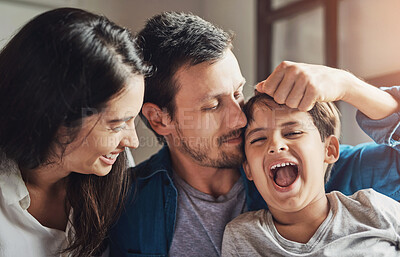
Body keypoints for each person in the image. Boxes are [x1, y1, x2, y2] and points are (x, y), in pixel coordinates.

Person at [109, 12, 400, 257]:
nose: (239, 116)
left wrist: (348, 85)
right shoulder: (124, 204)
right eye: (212, 106)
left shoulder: (318, 169)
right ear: (159, 120)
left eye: (238, 93)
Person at [0, 8, 150, 257]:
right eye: (116, 125)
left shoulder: (113, 169)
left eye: (133, 120)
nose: (132, 142)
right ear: (54, 116)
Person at [221, 93, 400, 256]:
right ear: (248, 169)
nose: (275, 145)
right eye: (259, 139)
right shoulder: (241, 236)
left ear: (329, 150)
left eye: (293, 133)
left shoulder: (374, 208)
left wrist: (347, 86)